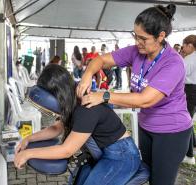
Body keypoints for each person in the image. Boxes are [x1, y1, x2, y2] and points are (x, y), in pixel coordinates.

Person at [77, 4, 192, 185]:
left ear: (161, 36)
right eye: (135, 36)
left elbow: (146, 100)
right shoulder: (136, 51)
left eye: (143, 38)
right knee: (145, 174)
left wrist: (105, 95)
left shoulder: (173, 63)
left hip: (171, 132)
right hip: (147, 127)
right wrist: (86, 75)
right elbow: (101, 60)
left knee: (161, 181)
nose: (137, 42)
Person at [14, 64, 141, 185]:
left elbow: (66, 150)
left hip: (121, 156)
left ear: (57, 93)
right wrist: (28, 139)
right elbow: (56, 128)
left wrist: (28, 154)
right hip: (100, 153)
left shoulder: (85, 108)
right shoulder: (73, 99)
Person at [181, 35, 196, 165]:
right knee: (190, 118)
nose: (183, 48)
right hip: (193, 89)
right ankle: (194, 144)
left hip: (190, 90)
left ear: (190, 45)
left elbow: (181, 76)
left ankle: (190, 155)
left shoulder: (189, 59)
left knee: (186, 121)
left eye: (184, 45)